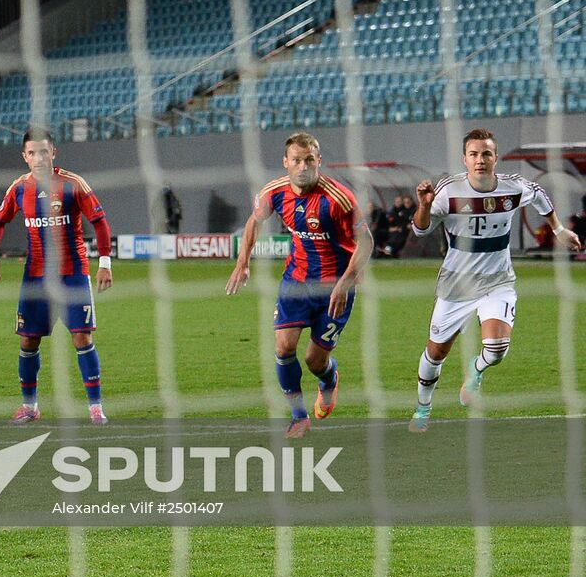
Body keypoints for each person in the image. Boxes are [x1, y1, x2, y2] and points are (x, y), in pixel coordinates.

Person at [407, 129, 580, 432]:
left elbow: (539, 195)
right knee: (436, 352)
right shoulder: (449, 191)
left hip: (498, 281)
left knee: (497, 348)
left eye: (486, 154)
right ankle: (423, 407)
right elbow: (420, 230)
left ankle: (475, 371)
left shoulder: (513, 188)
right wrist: (423, 205)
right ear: (465, 159)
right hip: (457, 284)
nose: (480, 160)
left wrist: (559, 229)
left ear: (495, 158)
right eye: (473, 154)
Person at [226, 132, 372, 439]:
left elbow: (367, 242)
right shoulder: (274, 192)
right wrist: (243, 262)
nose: (303, 166)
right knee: (284, 347)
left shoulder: (338, 199)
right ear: (286, 162)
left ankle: (329, 380)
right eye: (296, 160)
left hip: (335, 288)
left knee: (314, 361)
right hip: (296, 281)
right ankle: (298, 416)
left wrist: (346, 282)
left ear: (319, 161)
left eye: (309, 160)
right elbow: (255, 221)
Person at [0, 127, 114, 425]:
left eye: (44, 152)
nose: (39, 158)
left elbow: (99, 221)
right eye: (32, 153)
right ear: (25, 157)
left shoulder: (72, 183)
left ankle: (95, 408)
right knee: (28, 341)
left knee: (82, 336)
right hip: (36, 276)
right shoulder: (19, 188)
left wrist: (105, 263)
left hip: (72, 272)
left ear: (53, 153)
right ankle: (29, 406)